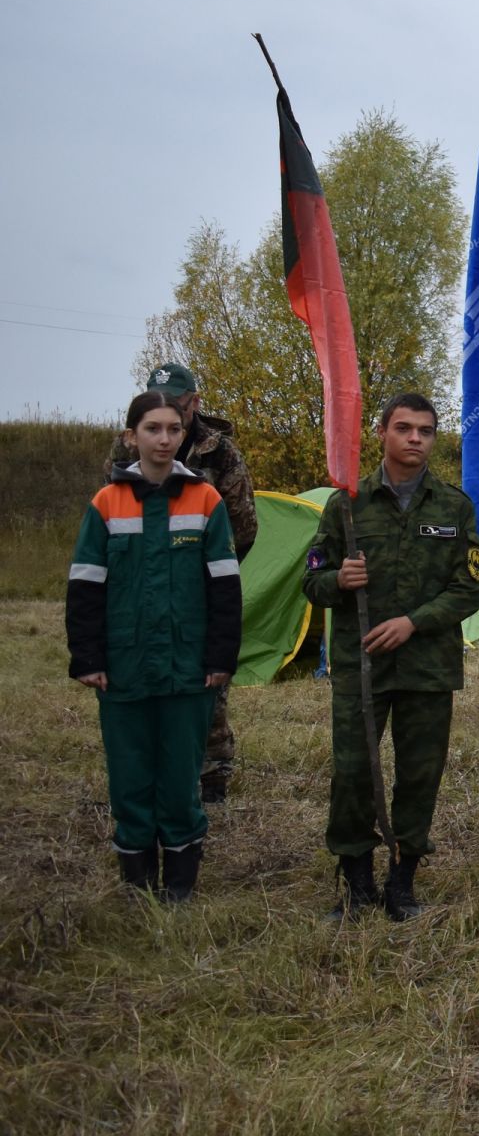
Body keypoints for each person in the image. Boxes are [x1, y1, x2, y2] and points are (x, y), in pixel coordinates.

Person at [302, 393, 479, 920]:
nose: (415, 439)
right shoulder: (346, 505)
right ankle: (356, 883)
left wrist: (414, 622)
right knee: (354, 771)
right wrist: (337, 579)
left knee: (420, 774)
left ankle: (402, 882)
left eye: (425, 431)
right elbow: (311, 582)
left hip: (428, 667)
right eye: (403, 428)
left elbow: (468, 587)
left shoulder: (454, 507)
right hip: (362, 668)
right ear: (381, 433)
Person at [68, 390, 242, 902]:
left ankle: (180, 888)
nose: (164, 439)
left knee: (180, 779)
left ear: (183, 435)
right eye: (152, 429)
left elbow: (225, 589)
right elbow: (84, 585)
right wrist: (89, 656)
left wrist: (219, 658)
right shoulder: (106, 504)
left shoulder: (206, 501)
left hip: (187, 670)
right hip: (123, 668)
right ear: (131, 437)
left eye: (172, 429)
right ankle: (139, 886)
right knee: (129, 778)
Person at [107, 363, 257, 806]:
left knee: (209, 684)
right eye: (161, 401)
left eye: (178, 401)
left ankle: (212, 777)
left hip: (202, 588)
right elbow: (109, 512)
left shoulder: (219, 453)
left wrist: (210, 571)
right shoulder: (124, 449)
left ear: (195, 401)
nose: (169, 413)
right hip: (141, 587)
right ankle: (149, 774)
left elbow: (244, 526)